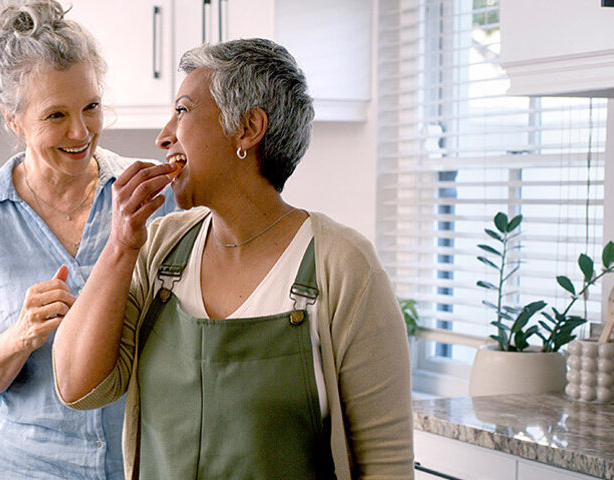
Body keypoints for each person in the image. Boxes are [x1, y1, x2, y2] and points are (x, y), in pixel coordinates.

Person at [52, 38, 414, 479]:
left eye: (183, 110)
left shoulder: (342, 265)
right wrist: (120, 247)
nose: (164, 135)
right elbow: (77, 386)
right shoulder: (158, 247)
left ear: (247, 129)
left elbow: (386, 465)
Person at [0, 1, 175, 478]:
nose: (80, 131)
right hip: (26, 467)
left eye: (91, 106)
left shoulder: (150, 196)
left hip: (143, 463)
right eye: (55, 115)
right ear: (13, 118)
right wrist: (20, 336)